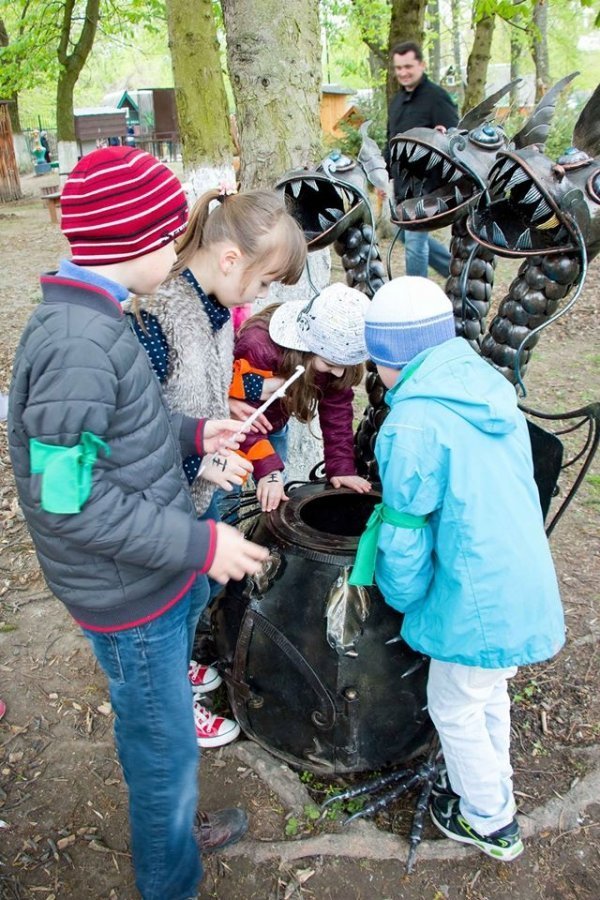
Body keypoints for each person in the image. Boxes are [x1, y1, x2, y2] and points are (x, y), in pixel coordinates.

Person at [7, 145, 270, 900]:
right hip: (128, 596)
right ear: (138, 246)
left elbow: (121, 425)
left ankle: (175, 839)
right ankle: (171, 880)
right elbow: (70, 499)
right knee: (163, 754)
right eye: (171, 239)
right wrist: (202, 541)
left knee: (166, 742)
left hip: (148, 571)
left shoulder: (98, 320)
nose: (178, 252)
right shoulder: (76, 344)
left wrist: (194, 436)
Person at [350, 277, 564, 861]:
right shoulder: (484, 389)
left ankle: (490, 823)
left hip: (476, 597)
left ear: (392, 357)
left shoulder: (413, 424)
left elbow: (405, 533)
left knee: (454, 704)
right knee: (484, 690)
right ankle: (492, 793)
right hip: (516, 574)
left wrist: (400, 595)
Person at [128, 187, 306, 746]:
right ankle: (173, 703)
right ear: (231, 259)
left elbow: (198, 389)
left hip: (192, 494)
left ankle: (178, 667)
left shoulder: (220, 308)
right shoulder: (157, 318)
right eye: (264, 282)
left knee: (195, 595)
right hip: (159, 507)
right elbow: (134, 431)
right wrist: (201, 459)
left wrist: (223, 411)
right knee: (171, 607)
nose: (261, 295)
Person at [231, 283, 372, 512]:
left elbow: (337, 412)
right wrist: (268, 469)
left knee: (275, 489)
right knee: (228, 487)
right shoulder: (259, 346)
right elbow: (241, 414)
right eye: (330, 364)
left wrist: (342, 467)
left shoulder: (336, 364)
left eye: (345, 366)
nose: (338, 373)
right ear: (305, 348)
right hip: (234, 426)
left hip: (273, 423)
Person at [385, 41, 458, 278]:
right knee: (409, 237)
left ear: (422, 65)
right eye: (398, 68)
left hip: (427, 188)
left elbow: (456, 137)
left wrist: (444, 136)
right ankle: (457, 273)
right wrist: (383, 176)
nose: (403, 73)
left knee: (415, 243)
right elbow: (391, 141)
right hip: (402, 186)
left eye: (408, 66)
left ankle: (416, 300)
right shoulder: (397, 102)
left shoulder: (437, 97)